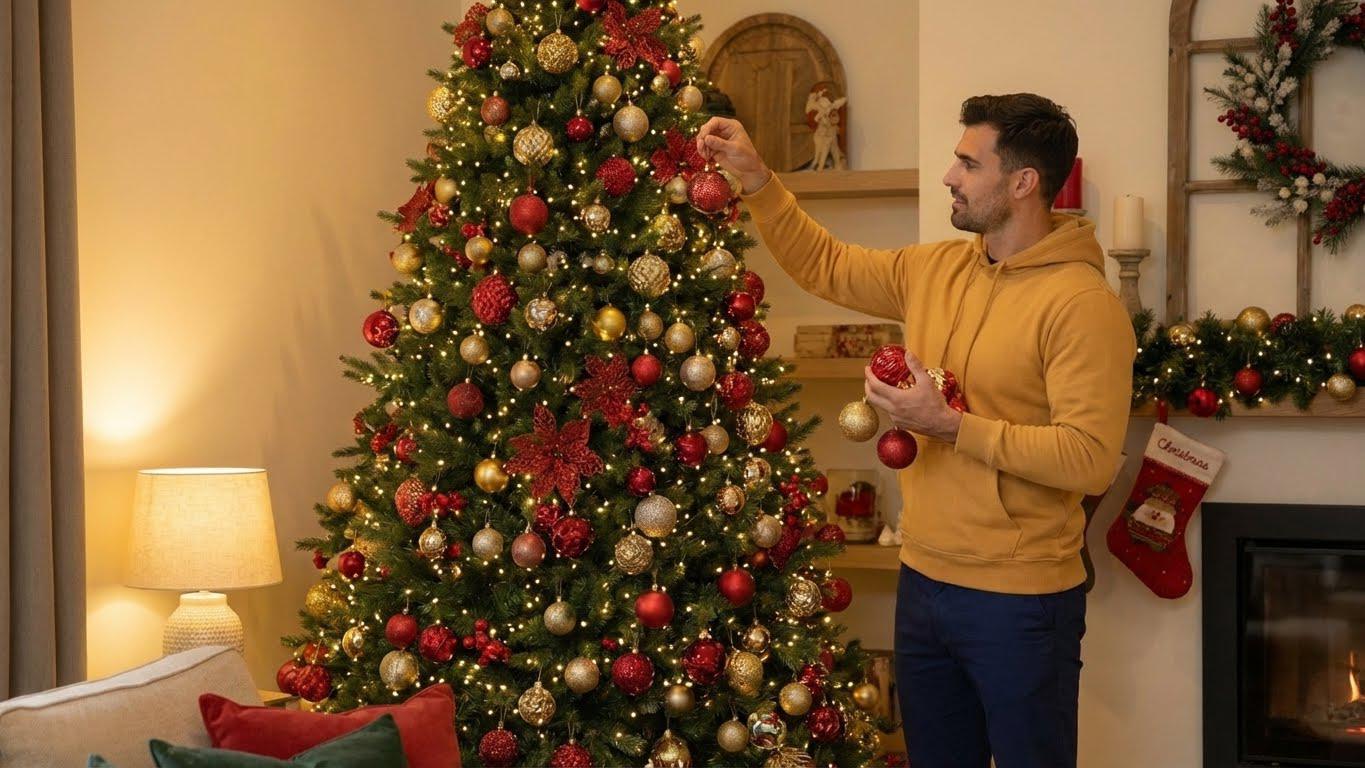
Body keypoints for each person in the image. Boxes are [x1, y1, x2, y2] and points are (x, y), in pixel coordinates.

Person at [697, 93, 1136, 768]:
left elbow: (1089, 458)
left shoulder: (1082, 304)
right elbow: (826, 265)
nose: (949, 176)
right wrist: (758, 180)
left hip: (1020, 603)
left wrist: (951, 426)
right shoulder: (935, 269)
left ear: (1023, 182)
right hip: (923, 580)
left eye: (969, 163)